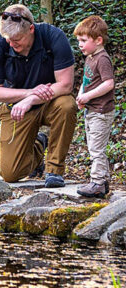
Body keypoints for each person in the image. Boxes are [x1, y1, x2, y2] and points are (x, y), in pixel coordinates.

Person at [0, 4, 77, 187]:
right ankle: (38, 146)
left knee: (67, 105)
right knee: (10, 174)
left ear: (31, 29)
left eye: (16, 39)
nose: (11, 44)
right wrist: (29, 93)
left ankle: (54, 170)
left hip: (51, 102)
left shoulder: (53, 37)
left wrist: (32, 99)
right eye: (8, 39)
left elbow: (65, 85)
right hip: (17, 108)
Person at [73, 16, 115, 198]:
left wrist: (88, 95)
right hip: (91, 110)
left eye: (83, 40)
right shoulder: (90, 57)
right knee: (93, 146)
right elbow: (87, 80)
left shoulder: (102, 59)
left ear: (98, 40)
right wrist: (81, 95)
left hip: (101, 111)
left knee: (96, 149)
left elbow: (109, 84)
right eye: (78, 41)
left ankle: (97, 182)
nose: (80, 45)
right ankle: (103, 182)